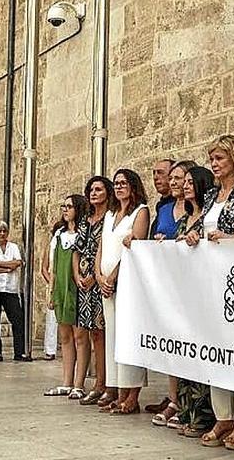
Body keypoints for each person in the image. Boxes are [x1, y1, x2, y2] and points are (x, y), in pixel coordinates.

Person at [184, 135, 234, 450]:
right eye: (211, 159)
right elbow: (203, 227)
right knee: (214, 348)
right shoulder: (212, 195)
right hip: (210, 281)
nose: (214, 164)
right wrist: (193, 235)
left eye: (219, 158)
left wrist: (231, 237)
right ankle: (223, 417)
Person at [96, 168, 150, 415]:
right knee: (113, 336)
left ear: (133, 185)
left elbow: (135, 245)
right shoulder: (110, 214)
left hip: (125, 280)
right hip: (105, 282)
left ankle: (132, 393)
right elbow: (102, 247)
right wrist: (99, 275)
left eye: (123, 183)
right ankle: (116, 388)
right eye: (116, 183)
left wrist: (113, 276)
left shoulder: (140, 211)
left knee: (128, 334)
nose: (119, 187)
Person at [167, 166, 216, 434]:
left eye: (189, 182)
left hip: (203, 294)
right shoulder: (185, 217)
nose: (185, 186)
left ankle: (202, 417)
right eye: (183, 182)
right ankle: (186, 413)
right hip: (182, 294)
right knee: (184, 355)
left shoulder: (207, 217)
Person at [149, 159, 196, 424]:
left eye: (181, 178)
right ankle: (174, 399)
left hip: (190, 284)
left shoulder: (195, 209)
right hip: (167, 284)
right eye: (174, 178)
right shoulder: (165, 208)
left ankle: (190, 403)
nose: (176, 182)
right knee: (172, 342)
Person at [72, 176, 116, 406]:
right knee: (90, 333)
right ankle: (98, 381)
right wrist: (78, 276)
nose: (94, 193)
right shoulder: (85, 220)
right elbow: (76, 251)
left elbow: (104, 248)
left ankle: (104, 382)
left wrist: (93, 276)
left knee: (102, 332)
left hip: (99, 280)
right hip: (83, 283)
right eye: (91, 190)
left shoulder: (109, 219)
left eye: (98, 189)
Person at [42, 194, 88, 398]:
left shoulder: (84, 232)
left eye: (69, 206)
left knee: (80, 336)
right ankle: (67, 381)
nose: (65, 209)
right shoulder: (59, 235)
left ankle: (79, 383)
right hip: (61, 287)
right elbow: (52, 266)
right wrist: (51, 292)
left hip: (77, 286)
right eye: (63, 206)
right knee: (65, 336)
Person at [0, 221, 31, 362]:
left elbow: (18, 263)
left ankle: (19, 352)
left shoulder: (13, 247)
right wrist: (7, 268)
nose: (2, 233)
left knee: (17, 319)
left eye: (4, 231)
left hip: (10, 289)